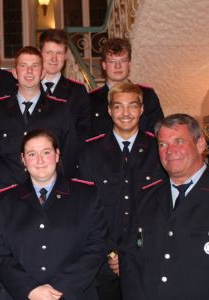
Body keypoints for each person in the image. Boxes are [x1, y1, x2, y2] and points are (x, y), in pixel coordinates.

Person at [0, 129, 107, 300]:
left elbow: (97, 246)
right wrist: (30, 290)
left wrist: (58, 289)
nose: (40, 160)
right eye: (32, 154)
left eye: (46, 152)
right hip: (20, 295)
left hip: (73, 294)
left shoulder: (86, 195)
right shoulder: (3, 200)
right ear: (23, 159)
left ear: (57, 155)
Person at [121, 114, 209, 300]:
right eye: (162, 144)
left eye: (179, 141)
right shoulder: (147, 197)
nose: (170, 150)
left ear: (200, 144)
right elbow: (130, 255)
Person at [76, 82, 165, 300]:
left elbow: (162, 207)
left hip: (146, 260)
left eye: (132, 106)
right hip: (102, 264)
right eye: (118, 106)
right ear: (109, 110)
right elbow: (86, 209)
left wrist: (132, 253)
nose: (126, 113)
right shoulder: (90, 151)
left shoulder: (159, 150)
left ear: (142, 109)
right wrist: (112, 252)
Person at [0, 46, 78, 190]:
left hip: (48, 194)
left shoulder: (60, 109)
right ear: (15, 73)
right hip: (6, 196)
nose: (29, 71)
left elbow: (69, 155)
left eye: (35, 66)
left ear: (42, 73)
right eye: (23, 66)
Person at [89, 38, 164, 136]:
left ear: (129, 64)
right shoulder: (90, 100)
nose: (118, 66)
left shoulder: (147, 95)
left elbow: (159, 132)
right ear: (104, 65)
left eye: (122, 61)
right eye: (112, 61)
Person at [39, 28, 91, 145]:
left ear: (65, 56)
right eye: (49, 53)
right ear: (40, 53)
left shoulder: (78, 92)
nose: (54, 59)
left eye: (59, 53)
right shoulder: (28, 89)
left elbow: (84, 134)